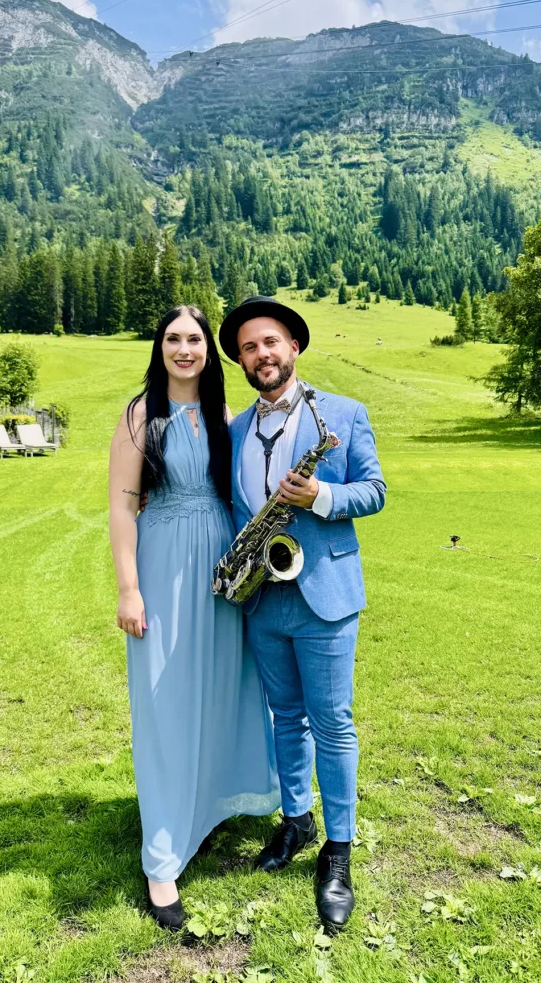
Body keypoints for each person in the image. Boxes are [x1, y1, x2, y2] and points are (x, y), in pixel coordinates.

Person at [108, 305, 280, 932]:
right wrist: (130, 590)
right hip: (161, 566)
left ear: (211, 352)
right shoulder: (138, 417)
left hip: (218, 569)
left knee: (220, 692)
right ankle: (161, 860)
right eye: (173, 338)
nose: (184, 349)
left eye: (195, 340)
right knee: (164, 701)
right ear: (159, 348)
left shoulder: (223, 418)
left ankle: (200, 813)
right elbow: (123, 511)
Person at [218, 296, 386, 931]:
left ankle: (338, 850)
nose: (262, 354)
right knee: (284, 717)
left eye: (272, 342)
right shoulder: (234, 429)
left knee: (333, 722)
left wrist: (321, 495)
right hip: (264, 594)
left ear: (295, 347)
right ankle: (296, 820)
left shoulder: (343, 413)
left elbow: (375, 490)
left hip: (326, 595)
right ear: (241, 359)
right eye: (249, 347)